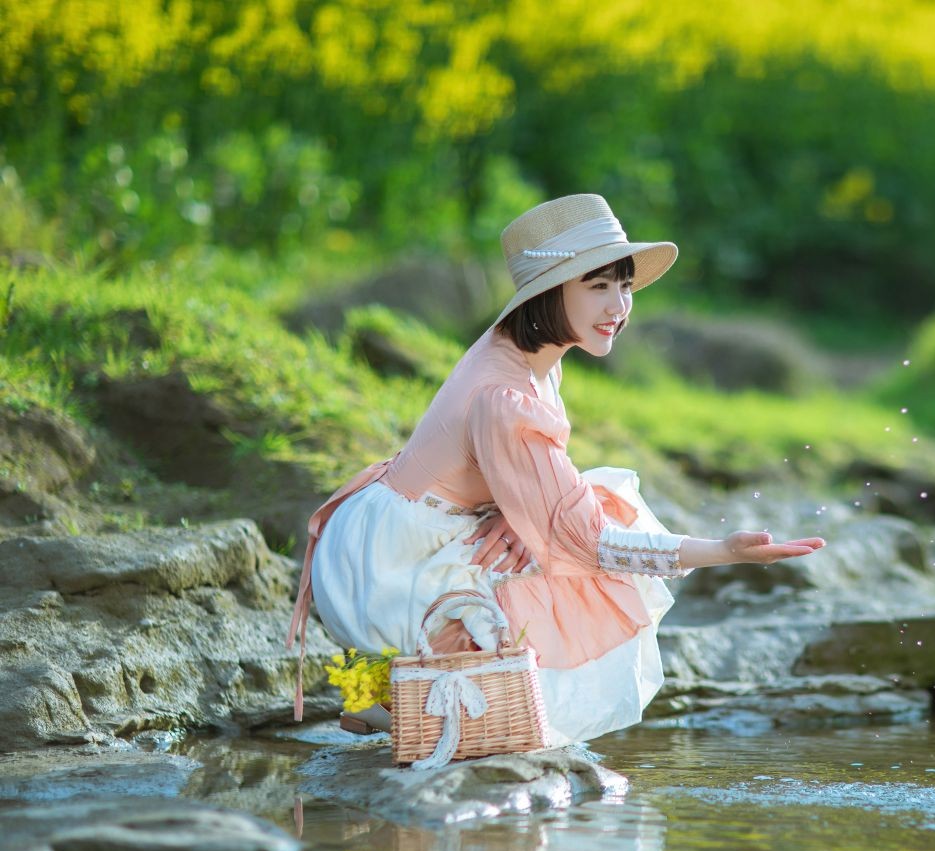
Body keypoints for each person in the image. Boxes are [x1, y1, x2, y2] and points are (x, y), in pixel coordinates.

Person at [286, 193, 825, 745]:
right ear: (548, 293)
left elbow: (532, 486)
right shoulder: (504, 394)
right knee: (588, 541)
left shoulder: (530, 357)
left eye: (624, 286)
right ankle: (401, 699)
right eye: (597, 287)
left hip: (407, 522)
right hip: (389, 564)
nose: (618, 306)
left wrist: (515, 513)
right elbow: (592, 543)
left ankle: (391, 694)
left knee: (573, 516)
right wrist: (722, 552)